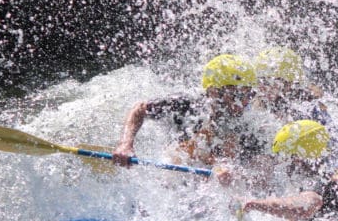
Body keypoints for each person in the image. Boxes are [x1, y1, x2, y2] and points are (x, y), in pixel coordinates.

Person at [111, 53, 263, 173]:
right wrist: (126, 144)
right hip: (174, 171)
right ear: (213, 92)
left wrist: (237, 175)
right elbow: (139, 109)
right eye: (236, 95)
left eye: (248, 95)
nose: (242, 103)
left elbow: (261, 170)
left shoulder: (250, 125)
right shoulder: (185, 104)